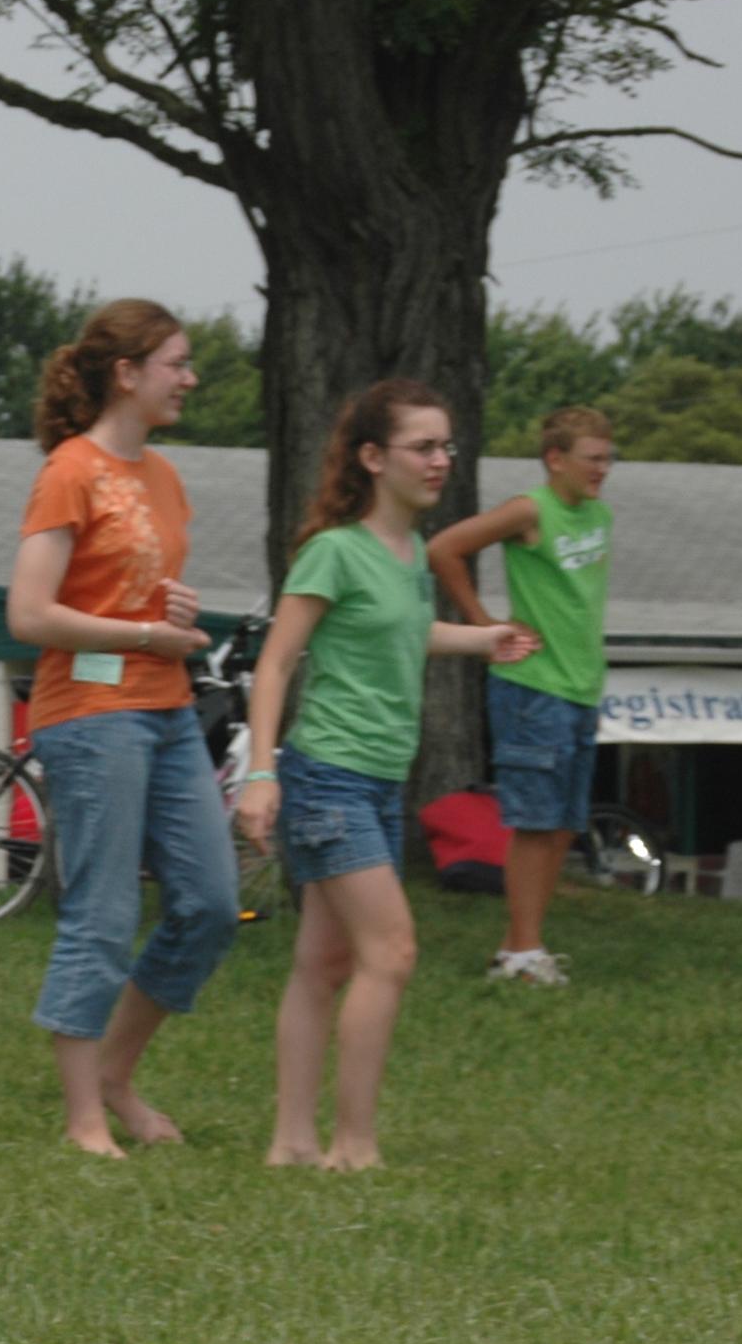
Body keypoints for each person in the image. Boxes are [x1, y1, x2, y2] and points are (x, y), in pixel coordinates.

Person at [236, 380, 537, 1170]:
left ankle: (291, 1142)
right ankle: (353, 1146)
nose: (441, 461)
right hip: (329, 777)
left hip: (377, 782)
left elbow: (405, 632)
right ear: (373, 457)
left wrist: (482, 640)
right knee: (392, 950)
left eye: (446, 446)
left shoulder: (408, 557)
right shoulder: (333, 551)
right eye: (423, 447)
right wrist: (261, 772)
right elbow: (275, 664)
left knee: (323, 962)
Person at [3, 298, 239, 1157]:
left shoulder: (163, 476)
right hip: (91, 716)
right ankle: (84, 1118)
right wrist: (144, 634)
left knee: (211, 904)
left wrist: (170, 613)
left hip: (167, 709)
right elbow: (30, 613)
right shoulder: (70, 469)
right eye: (176, 363)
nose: (190, 378)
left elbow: (127, 587)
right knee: (102, 913)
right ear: (127, 373)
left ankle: (114, 1073)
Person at [428, 405, 616, 984]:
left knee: (563, 826)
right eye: (592, 459)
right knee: (535, 824)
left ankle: (518, 948)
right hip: (533, 689)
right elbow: (444, 549)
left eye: (608, 459)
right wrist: (485, 628)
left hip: (581, 686)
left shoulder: (599, 514)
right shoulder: (530, 510)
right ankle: (525, 952)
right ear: (555, 458)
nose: (602, 470)